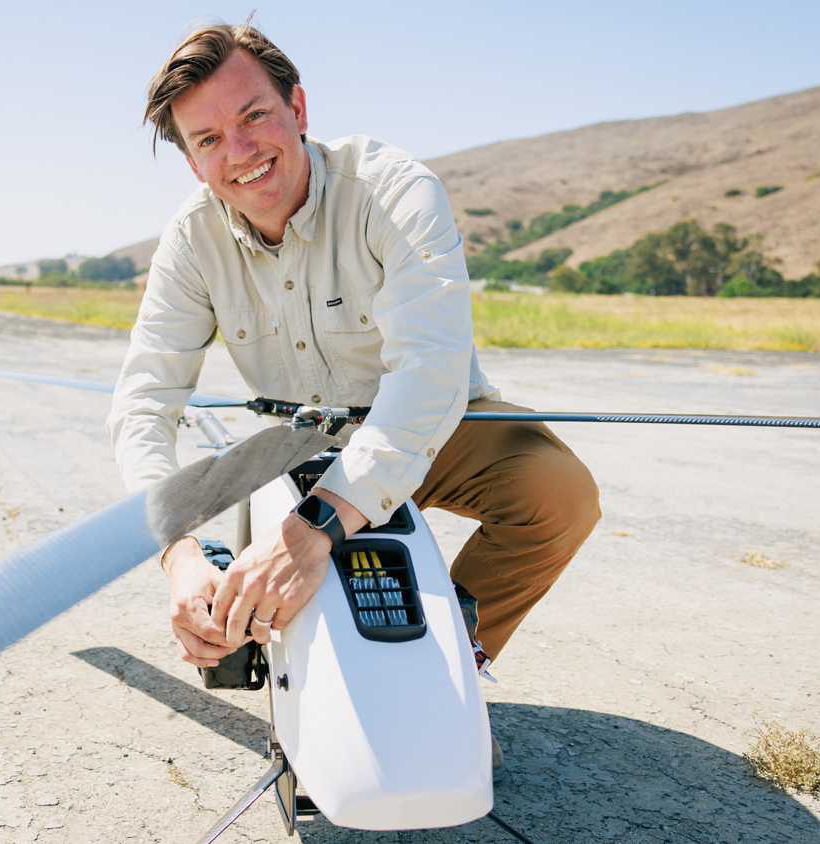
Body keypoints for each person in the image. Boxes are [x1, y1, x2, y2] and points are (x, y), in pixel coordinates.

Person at [108, 22, 600, 682]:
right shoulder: (190, 240)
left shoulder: (396, 191)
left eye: (255, 115)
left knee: (558, 493)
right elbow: (143, 405)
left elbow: (431, 370)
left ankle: (447, 657)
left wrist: (314, 531)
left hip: (431, 427)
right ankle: (256, 609)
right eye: (209, 139)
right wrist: (180, 556)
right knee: (233, 630)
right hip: (302, 445)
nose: (242, 149)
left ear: (298, 109)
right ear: (194, 163)